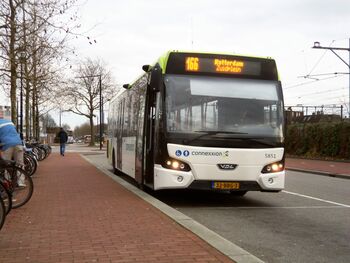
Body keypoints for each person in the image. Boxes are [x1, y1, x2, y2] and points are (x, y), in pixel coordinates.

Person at [0, 118, 25, 186]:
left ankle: (7, 183)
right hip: (18, 143)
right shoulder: (9, 122)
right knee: (20, 163)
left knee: (6, 165)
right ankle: (21, 182)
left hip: (7, 145)